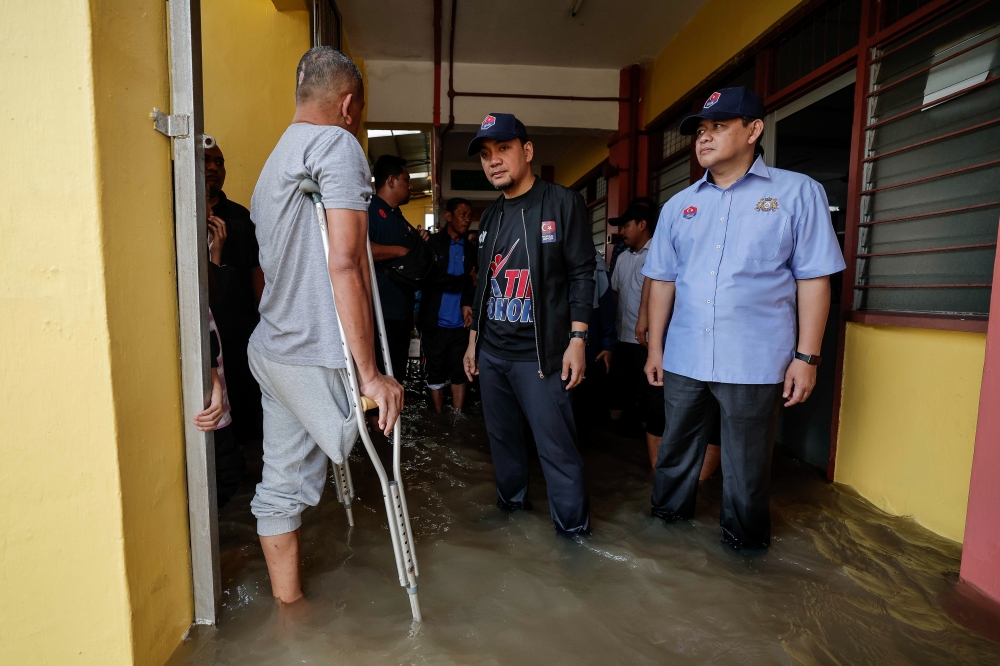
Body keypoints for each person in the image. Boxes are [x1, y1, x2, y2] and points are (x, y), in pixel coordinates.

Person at [642, 87, 846, 549]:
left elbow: (814, 279)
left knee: (747, 467)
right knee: (674, 456)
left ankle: (744, 553)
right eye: (700, 130)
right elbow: (664, 282)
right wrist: (656, 348)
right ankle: (661, 542)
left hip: (755, 361)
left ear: (754, 131)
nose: (704, 138)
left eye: (718, 126)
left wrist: (806, 357)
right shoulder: (679, 206)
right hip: (685, 356)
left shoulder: (798, 193)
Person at [247, 46, 404, 605]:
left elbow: (268, 271)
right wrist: (371, 372)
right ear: (347, 104)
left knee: (280, 491)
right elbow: (348, 261)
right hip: (315, 354)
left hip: (271, 349)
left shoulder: (272, 165)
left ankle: (290, 618)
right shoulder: (337, 145)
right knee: (359, 428)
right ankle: (337, 431)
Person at [463, 113, 596, 535]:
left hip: (540, 356)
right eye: (486, 155)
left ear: (527, 151)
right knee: (503, 445)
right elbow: (484, 284)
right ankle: (512, 515)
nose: (494, 161)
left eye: (503, 149)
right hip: (493, 352)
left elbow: (582, 273)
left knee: (557, 449)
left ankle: (573, 534)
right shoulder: (490, 218)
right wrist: (473, 343)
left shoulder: (561, 202)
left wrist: (578, 339)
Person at [204, 140, 266, 447]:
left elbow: (257, 270)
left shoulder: (241, 217)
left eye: (220, 162)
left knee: (244, 397)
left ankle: (243, 465)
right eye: (206, 161)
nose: (215, 167)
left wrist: (265, 316)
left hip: (241, 327)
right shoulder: (178, 215)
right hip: (206, 330)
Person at [608, 202, 664, 469]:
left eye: (626, 225)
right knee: (616, 389)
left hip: (648, 341)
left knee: (650, 395)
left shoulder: (660, 255)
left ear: (642, 224)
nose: (622, 231)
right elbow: (616, 294)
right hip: (622, 337)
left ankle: (649, 455)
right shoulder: (622, 257)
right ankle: (613, 450)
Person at [367, 155, 430, 378]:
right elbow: (360, 249)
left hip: (402, 312)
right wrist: (399, 251)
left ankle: (392, 415)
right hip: (378, 312)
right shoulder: (370, 210)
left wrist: (419, 237)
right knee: (378, 378)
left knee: (397, 377)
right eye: (406, 179)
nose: (410, 185)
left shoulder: (398, 216)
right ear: (391, 180)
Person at [420, 198, 477, 412]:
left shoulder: (470, 250)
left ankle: (456, 418)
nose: (467, 219)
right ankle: (437, 416)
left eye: (469, 215)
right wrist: (466, 280)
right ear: (449, 216)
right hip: (435, 322)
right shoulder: (432, 244)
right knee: (434, 371)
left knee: (459, 371)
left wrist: (468, 304)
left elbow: (475, 284)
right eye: (462, 214)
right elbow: (433, 278)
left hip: (460, 324)